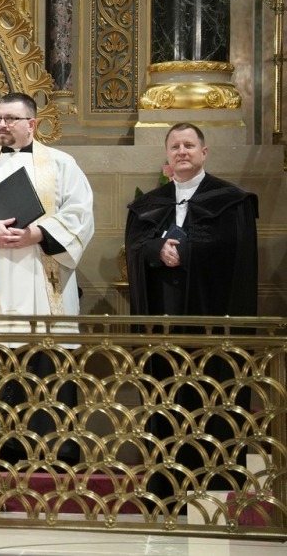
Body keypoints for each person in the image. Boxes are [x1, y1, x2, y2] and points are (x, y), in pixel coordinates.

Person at [0, 92, 94, 464]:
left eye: (11, 118)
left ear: (32, 124)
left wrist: (38, 234)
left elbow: (81, 213)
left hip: (42, 279)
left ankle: (51, 449)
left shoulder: (61, 164)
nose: (2, 125)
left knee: (42, 356)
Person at [125, 122, 258, 497]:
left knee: (210, 398)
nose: (182, 151)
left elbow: (235, 254)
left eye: (188, 145)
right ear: (167, 155)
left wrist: (186, 252)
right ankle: (166, 488)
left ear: (204, 152)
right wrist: (157, 250)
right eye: (175, 146)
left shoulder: (231, 201)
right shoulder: (150, 204)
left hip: (212, 320)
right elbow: (136, 247)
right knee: (166, 396)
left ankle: (215, 487)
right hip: (163, 321)